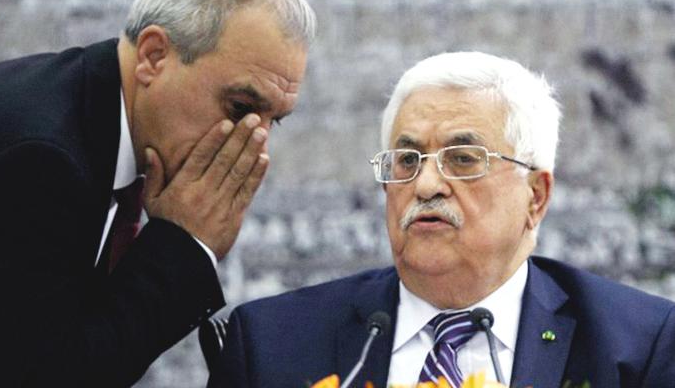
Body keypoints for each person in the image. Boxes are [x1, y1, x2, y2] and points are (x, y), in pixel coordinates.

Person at [207, 52, 675, 388]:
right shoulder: (272, 343)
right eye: (407, 160)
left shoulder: (637, 346)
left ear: (535, 197)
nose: (426, 185)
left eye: (463, 159)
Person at [0, 0, 315, 386]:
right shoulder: (41, 160)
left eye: (273, 121)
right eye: (240, 108)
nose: (255, 145)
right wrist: (185, 244)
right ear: (153, 56)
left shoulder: (87, 115)